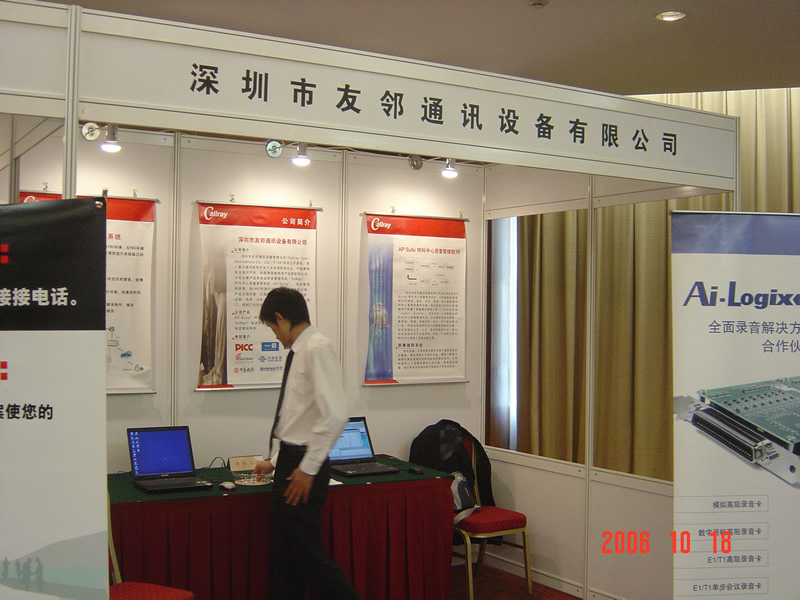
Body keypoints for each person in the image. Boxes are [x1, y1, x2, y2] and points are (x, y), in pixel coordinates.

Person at [253, 287, 360, 600]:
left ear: (281, 318)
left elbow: (335, 414)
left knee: (309, 558)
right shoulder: (300, 352)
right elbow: (298, 417)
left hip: (302, 466)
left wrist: (308, 468)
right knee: (286, 557)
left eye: (272, 328)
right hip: (290, 459)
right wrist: (275, 459)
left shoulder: (316, 348)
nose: (275, 336)